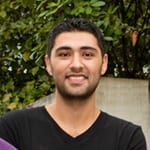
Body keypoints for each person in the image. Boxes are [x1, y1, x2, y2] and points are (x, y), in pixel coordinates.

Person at [0, 18, 147, 150]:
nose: (76, 64)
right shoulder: (11, 130)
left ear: (104, 63)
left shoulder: (128, 138)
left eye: (87, 55)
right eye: (64, 54)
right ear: (48, 64)